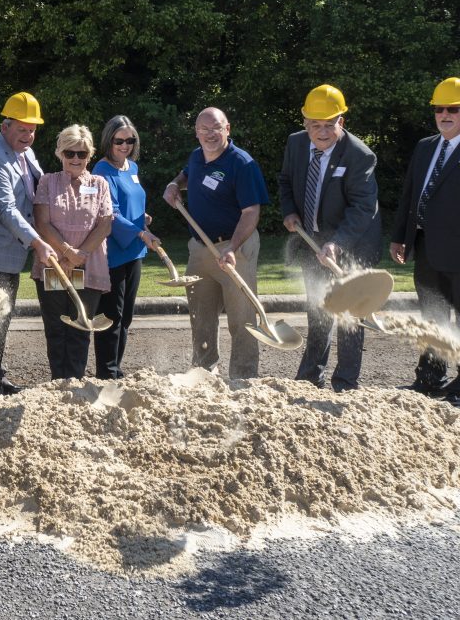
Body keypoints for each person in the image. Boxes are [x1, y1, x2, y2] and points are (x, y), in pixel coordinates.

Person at [278, 85, 381, 392]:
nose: (322, 132)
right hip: (312, 242)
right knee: (317, 311)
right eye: (315, 125)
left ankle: (346, 382)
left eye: (329, 124)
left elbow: (364, 208)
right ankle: (311, 376)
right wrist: (290, 211)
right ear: (305, 122)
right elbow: (285, 181)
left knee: (349, 316)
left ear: (342, 122)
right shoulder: (296, 144)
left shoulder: (360, 155)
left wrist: (337, 243)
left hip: (352, 245)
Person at [163, 107, 269, 379]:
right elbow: (186, 174)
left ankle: (243, 380)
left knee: (242, 319)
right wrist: (174, 184)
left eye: (216, 128)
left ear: (227, 129)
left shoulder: (242, 164)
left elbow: (251, 212)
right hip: (200, 248)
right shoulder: (197, 156)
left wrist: (232, 247)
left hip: (235, 247)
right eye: (204, 129)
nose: (210, 134)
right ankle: (204, 372)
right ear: (197, 132)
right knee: (201, 317)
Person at [391, 77, 460, 403]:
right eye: (439, 109)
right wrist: (399, 237)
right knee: (432, 316)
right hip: (425, 248)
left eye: (453, 109)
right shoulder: (425, 147)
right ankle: (430, 377)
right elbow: (410, 196)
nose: (445, 114)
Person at [0, 92, 57, 394]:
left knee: (3, 315)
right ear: (5, 127)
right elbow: (4, 207)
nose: (27, 136)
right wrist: (37, 241)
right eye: (21, 129)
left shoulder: (26, 153)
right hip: (1, 250)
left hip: (23, 245)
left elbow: (42, 188)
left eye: (32, 130)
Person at [32, 124, 113, 379]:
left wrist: (81, 255)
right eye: (70, 153)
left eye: (82, 153)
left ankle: (75, 383)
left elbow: (105, 223)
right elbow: (42, 222)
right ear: (60, 154)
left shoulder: (99, 184)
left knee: (80, 327)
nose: (76, 159)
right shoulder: (47, 182)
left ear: (89, 155)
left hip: (88, 265)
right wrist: (66, 253)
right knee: (57, 328)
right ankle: (57, 383)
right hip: (55, 265)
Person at [92, 115, 161, 379]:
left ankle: (116, 369)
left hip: (134, 249)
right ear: (109, 140)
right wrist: (140, 232)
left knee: (127, 316)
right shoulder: (101, 170)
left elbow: (131, 203)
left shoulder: (131, 168)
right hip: (113, 251)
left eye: (130, 140)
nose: (124, 145)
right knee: (112, 314)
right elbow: (111, 212)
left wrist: (142, 218)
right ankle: (106, 373)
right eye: (119, 140)